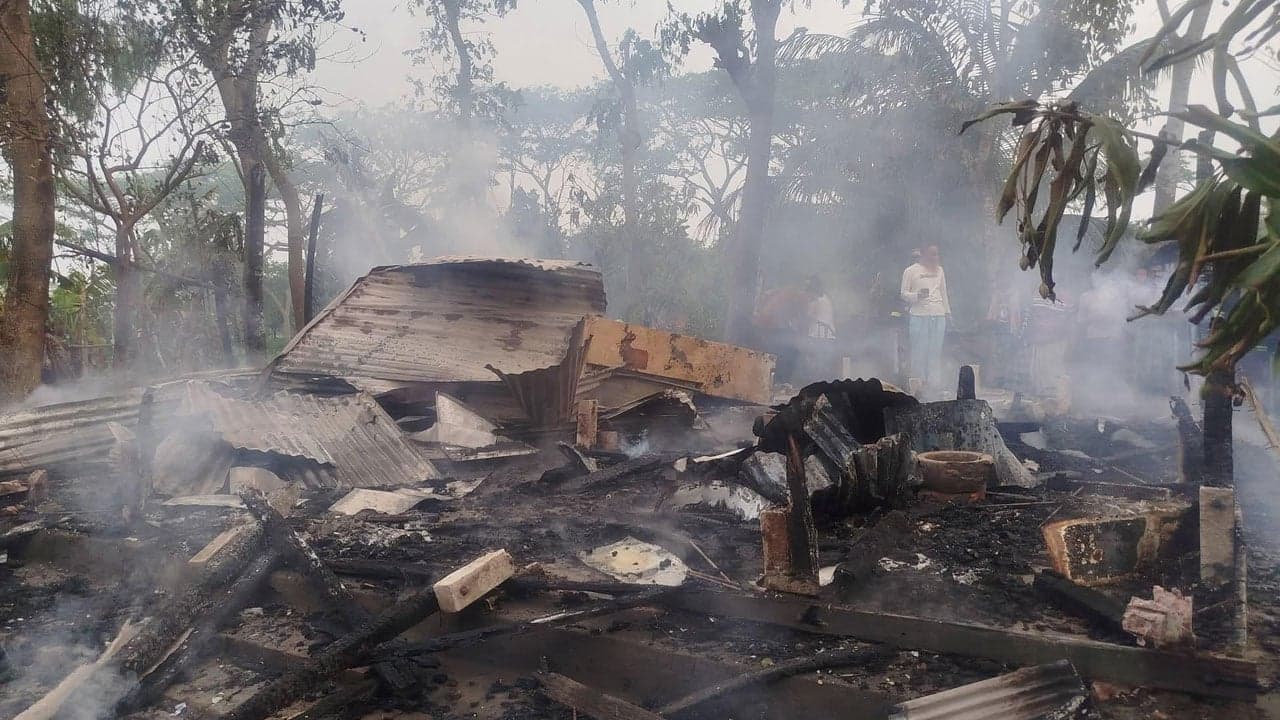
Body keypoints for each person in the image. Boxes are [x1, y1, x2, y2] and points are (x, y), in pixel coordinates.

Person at [900, 245, 951, 392]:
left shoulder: (940, 270)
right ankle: (919, 386)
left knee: (935, 352)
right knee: (919, 351)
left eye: (937, 254)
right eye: (932, 255)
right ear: (923, 255)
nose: (935, 258)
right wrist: (917, 295)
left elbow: (944, 293)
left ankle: (934, 385)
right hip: (919, 316)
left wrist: (947, 313)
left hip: (938, 315)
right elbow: (903, 293)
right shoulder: (910, 271)